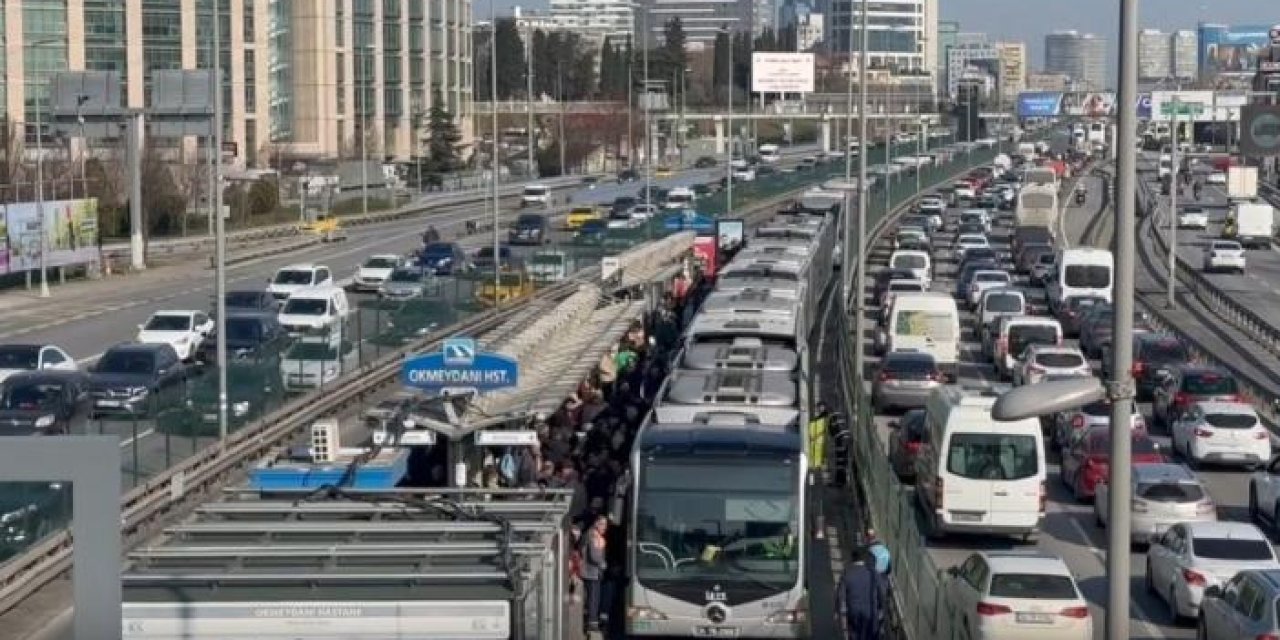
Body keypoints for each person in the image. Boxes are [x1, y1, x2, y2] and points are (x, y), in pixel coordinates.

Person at [837, 547, 882, 640]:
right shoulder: (872, 573)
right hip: (870, 611)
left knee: (854, 634)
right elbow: (880, 592)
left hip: (853, 610)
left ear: (852, 558)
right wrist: (880, 608)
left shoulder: (847, 572)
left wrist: (838, 610)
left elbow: (841, 594)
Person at [582, 515, 609, 633]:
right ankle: (592, 624)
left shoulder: (595, 535)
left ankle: (592, 622)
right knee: (593, 599)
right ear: (596, 523)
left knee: (594, 598)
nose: (605, 527)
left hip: (594, 572)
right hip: (591, 572)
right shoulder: (593, 535)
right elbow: (594, 556)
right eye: (603, 524)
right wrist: (602, 563)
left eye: (606, 524)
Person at [807, 403, 830, 476]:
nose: (819, 410)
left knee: (821, 466)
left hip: (819, 449)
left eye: (820, 408)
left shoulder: (820, 420)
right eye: (818, 408)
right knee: (823, 465)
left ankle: (816, 480)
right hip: (819, 449)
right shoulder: (821, 420)